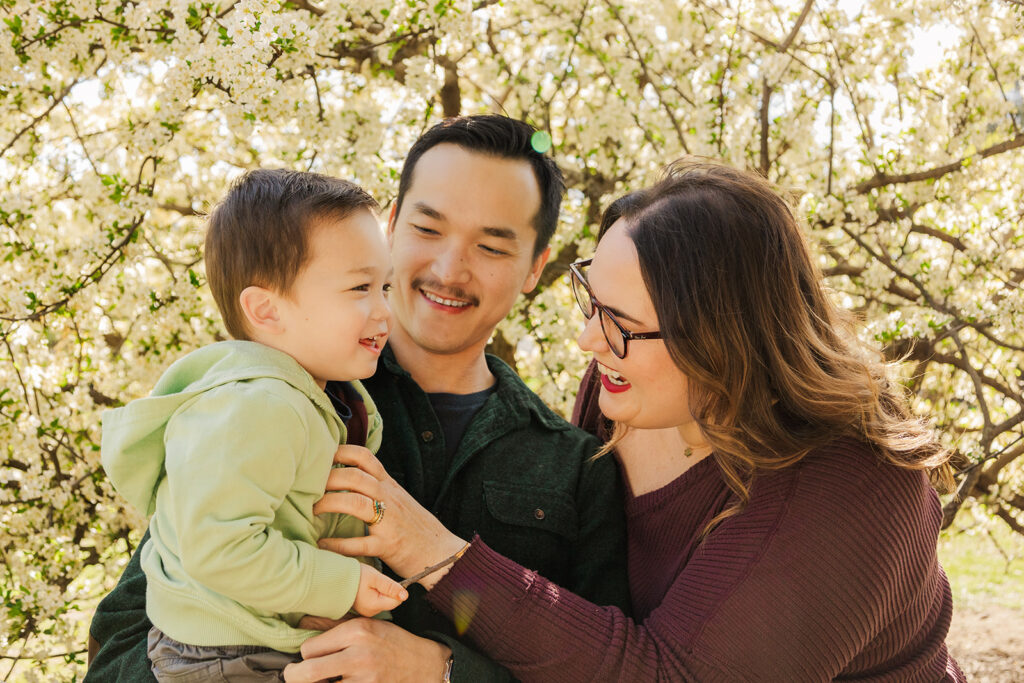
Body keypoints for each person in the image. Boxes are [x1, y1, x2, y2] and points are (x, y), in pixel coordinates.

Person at [293, 159, 966, 681]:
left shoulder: (850, 486)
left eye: (622, 324)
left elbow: (669, 673)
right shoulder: (627, 389)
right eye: (593, 300)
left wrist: (434, 557)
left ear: (724, 340)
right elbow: (582, 623)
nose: (590, 342)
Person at [87, 116, 630, 682]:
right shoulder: (267, 400)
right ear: (389, 228)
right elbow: (128, 634)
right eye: (427, 228)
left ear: (534, 269)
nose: (449, 270)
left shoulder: (577, 470)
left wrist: (446, 673)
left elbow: (599, 672)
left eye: (492, 247)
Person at [98, 169, 407, 680]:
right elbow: (221, 548)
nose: (384, 311)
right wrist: (343, 584)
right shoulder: (258, 407)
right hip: (226, 651)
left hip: (256, 633)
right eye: (360, 288)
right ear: (266, 309)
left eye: (386, 286)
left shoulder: (320, 394)